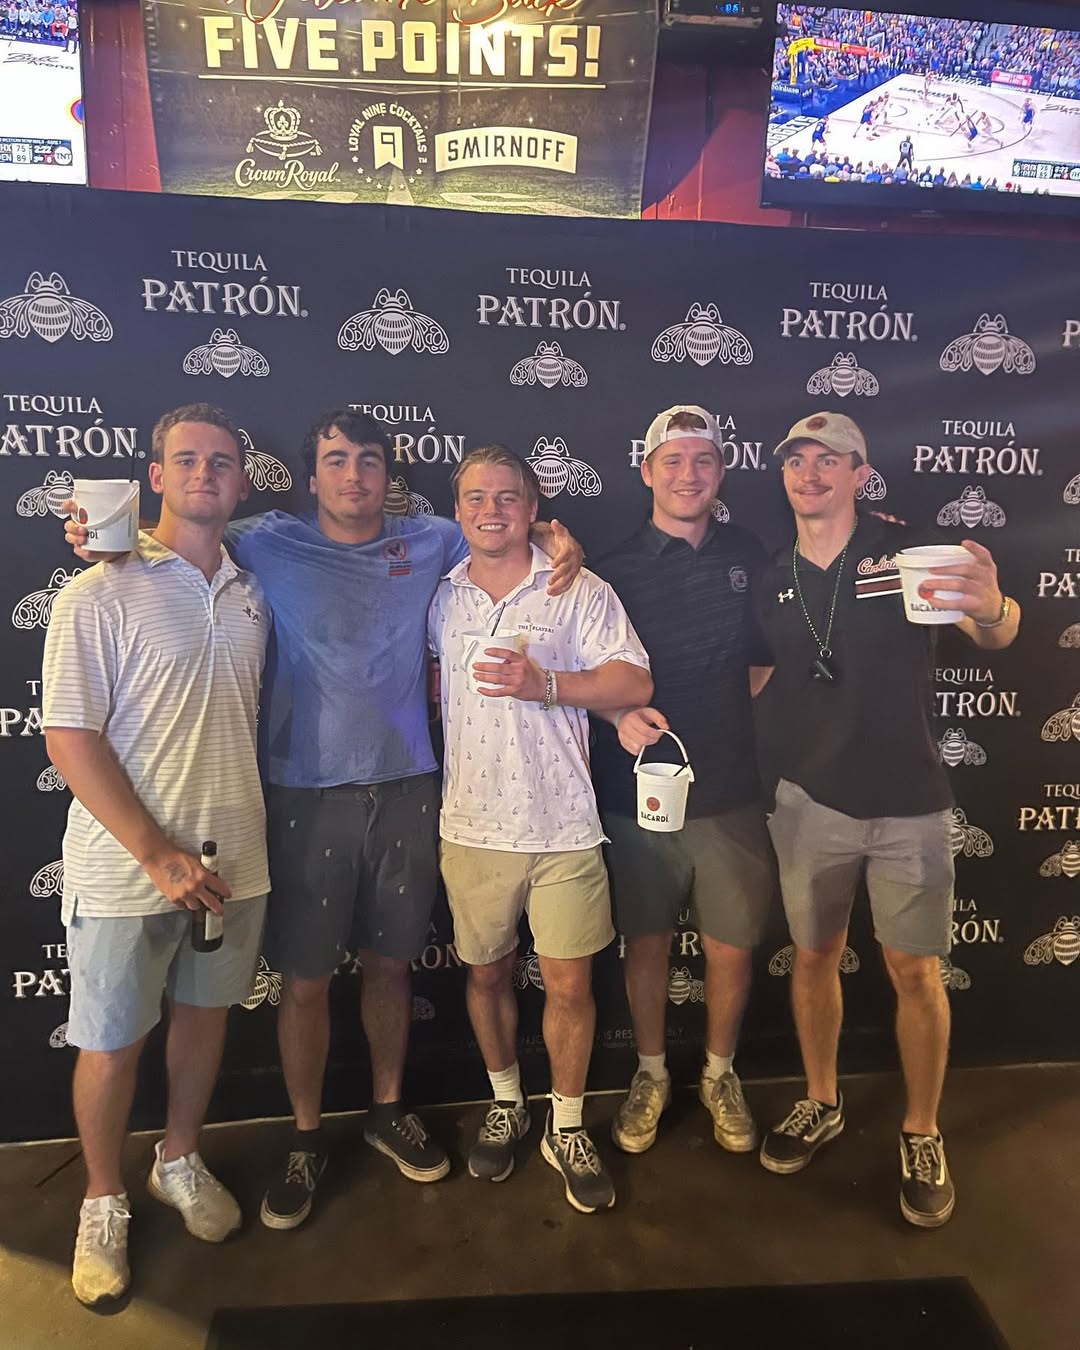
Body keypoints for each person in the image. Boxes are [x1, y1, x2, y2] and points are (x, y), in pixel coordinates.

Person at [64, 409, 583, 1234]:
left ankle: (386, 1111)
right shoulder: (263, 540)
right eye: (337, 461)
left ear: (389, 477)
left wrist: (558, 539)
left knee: (389, 969)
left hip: (409, 788)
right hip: (302, 796)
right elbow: (179, 537)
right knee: (304, 982)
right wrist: (107, 540)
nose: (354, 475)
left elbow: (506, 531)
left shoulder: (434, 538)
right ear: (310, 478)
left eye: (369, 461)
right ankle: (305, 1138)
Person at [753, 411, 1020, 1229]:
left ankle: (922, 1130)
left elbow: (994, 629)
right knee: (813, 957)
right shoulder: (769, 574)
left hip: (910, 802)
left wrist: (994, 605)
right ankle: (822, 1099)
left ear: (860, 474)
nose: (810, 473)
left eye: (828, 460)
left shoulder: (908, 554)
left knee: (915, 974)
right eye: (796, 460)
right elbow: (759, 674)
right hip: (808, 802)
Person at [44, 405, 271, 1307]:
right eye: (187, 460)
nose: (205, 473)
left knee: (204, 1022)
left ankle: (178, 1160)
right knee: (109, 1042)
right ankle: (102, 1201)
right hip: (123, 869)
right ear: (155, 477)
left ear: (242, 481)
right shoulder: (96, 591)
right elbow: (69, 738)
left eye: (222, 460)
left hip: (234, 857)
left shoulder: (255, 591)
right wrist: (156, 853)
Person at [428, 445, 652, 1212]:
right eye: (476, 498)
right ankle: (505, 1103)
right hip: (472, 826)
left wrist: (547, 684)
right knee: (487, 976)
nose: (491, 511)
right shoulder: (439, 593)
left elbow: (634, 679)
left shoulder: (575, 585)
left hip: (564, 825)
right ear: (457, 511)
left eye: (507, 498)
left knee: (570, 985)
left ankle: (567, 1125)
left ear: (533, 509)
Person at [589, 407, 775, 1159]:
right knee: (647, 943)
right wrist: (617, 718)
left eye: (703, 460)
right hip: (638, 791)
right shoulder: (610, 567)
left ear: (721, 471)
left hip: (732, 790)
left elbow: (766, 661)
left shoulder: (751, 554)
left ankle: (720, 1074)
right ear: (646, 472)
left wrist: (724, 721)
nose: (688, 474)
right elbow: (587, 674)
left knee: (731, 946)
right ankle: (652, 1073)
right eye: (672, 460)